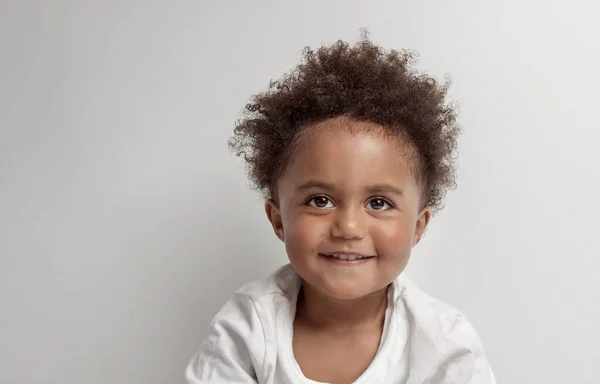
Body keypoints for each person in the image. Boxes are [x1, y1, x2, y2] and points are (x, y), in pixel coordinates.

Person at [186, 35, 496, 383]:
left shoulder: (444, 344)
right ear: (278, 220)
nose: (348, 227)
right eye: (320, 200)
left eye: (378, 203)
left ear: (418, 226)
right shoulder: (249, 326)